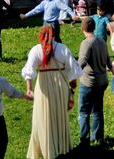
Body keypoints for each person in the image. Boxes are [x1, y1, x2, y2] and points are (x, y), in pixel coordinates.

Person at [20, 25, 83, 159]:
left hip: (43, 87)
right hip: (60, 86)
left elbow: (29, 70)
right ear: (53, 35)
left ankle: (45, 148)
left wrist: (29, 89)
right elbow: (73, 69)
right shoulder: (62, 48)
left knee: (43, 117)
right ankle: (61, 146)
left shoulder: (36, 50)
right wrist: (72, 84)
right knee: (59, 115)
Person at [77, 17, 112, 149]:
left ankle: (84, 141)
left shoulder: (86, 43)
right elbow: (108, 60)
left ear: (82, 28)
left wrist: (72, 75)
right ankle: (98, 138)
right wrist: (113, 71)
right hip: (102, 81)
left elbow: (82, 62)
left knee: (84, 111)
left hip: (89, 82)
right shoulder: (102, 41)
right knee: (97, 110)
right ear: (94, 28)